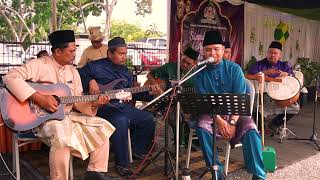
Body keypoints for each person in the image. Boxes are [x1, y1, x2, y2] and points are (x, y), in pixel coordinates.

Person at [3, 30, 116, 180]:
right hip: (44, 119)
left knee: (103, 126)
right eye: (71, 51)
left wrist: (95, 103)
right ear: (57, 51)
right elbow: (10, 77)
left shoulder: (73, 71)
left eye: (75, 50)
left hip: (70, 116)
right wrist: (38, 98)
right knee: (62, 134)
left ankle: (94, 172)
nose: (74, 54)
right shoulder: (39, 64)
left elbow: (77, 100)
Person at [78, 37, 156, 177]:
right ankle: (122, 164)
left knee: (148, 118)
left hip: (120, 106)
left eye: (125, 53)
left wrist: (150, 93)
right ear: (109, 54)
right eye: (121, 54)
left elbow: (131, 94)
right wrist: (91, 81)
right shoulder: (95, 66)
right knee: (121, 120)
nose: (124, 57)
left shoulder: (125, 71)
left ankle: (136, 150)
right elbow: (79, 73)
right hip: (101, 107)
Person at [194, 30, 265, 180]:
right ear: (203, 52)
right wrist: (219, 120)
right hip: (212, 114)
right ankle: (217, 174)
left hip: (236, 113)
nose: (212, 53)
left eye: (216, 49)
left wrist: (232, 123)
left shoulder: (234, 69)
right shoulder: (199, 73)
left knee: (251, 128)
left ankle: (258, 175)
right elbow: (204, 101)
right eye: (208, 49)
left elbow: (240, 99)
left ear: (222, 50)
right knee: (201, 125)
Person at [146, 46, 199, 147]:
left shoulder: (195, 74)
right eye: (183, 61)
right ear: (181, 57)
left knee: (190, 112)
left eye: (188, 63)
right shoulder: (170, 67)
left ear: (194, 64)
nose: (184, 64)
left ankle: (188, 141)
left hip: (184, 101)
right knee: (176, 114)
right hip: (166, 101)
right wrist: (156, 85)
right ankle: (179, 143)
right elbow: (149, 74)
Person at [248, 41, 299, 134]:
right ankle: (261, 129)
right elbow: (250, 75)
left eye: (275, 53)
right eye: (270, 52)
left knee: (295, 107)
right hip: (263, 95)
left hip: (281, 97)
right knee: (255, 106)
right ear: (267, 53)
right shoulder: (259, 64)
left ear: (280, 55)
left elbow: (293, 78)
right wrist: (266, 72)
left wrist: (287, 74)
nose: (272, 55)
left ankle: (274, 124)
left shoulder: (284, 65)